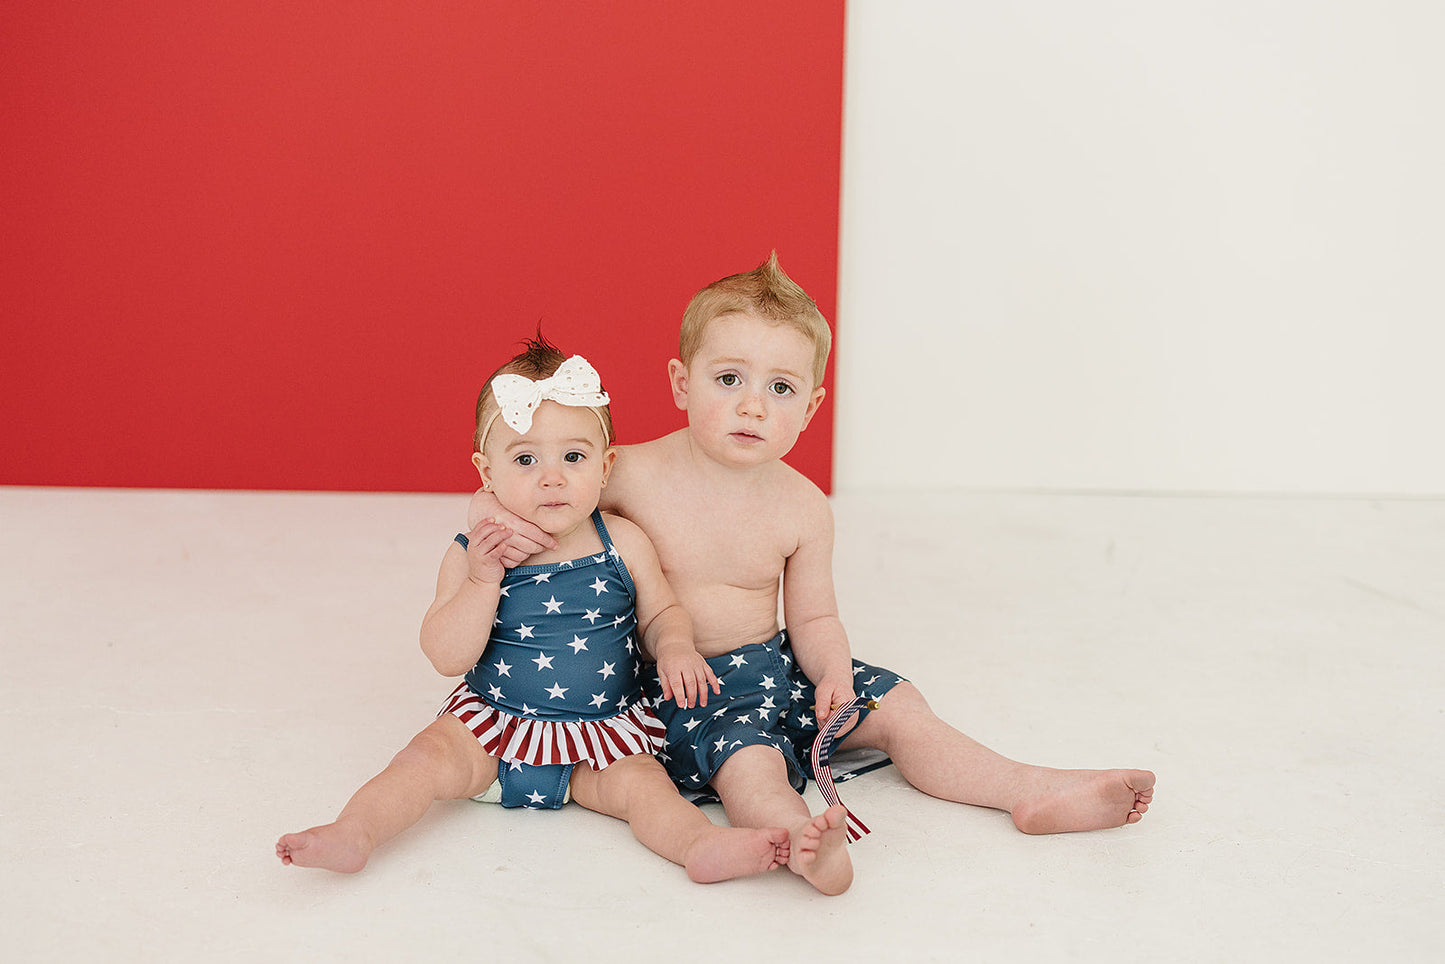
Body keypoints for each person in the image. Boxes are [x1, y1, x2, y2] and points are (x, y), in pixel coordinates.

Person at [470, 256, 1156, 895]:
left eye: (780, 388)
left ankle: (1023, 788)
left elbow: (814, 618)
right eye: (728, 379)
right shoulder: (629, 473)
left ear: (811, 406)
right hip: (688, 688)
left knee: (902, 711)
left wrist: (830, 673)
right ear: (682, 382)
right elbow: (540, 495)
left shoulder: (801, 506)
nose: (752, 406)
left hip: (779, 666)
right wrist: (492, 527)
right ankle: (800, 837)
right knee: (753, 763)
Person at [277, 337, 789, 882]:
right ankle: (354, 832)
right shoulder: (473, 552)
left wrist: (676, 647)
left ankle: (698, 846)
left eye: (574, 457)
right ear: (485, 471)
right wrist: (481, 580)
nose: (552, 477)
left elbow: (662, 612)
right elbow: (445, 655)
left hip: (600, 734)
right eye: (525, 459)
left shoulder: (622, 540)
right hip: (488, 729)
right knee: (418, 765)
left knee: (647, 789)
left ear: (606, 464)